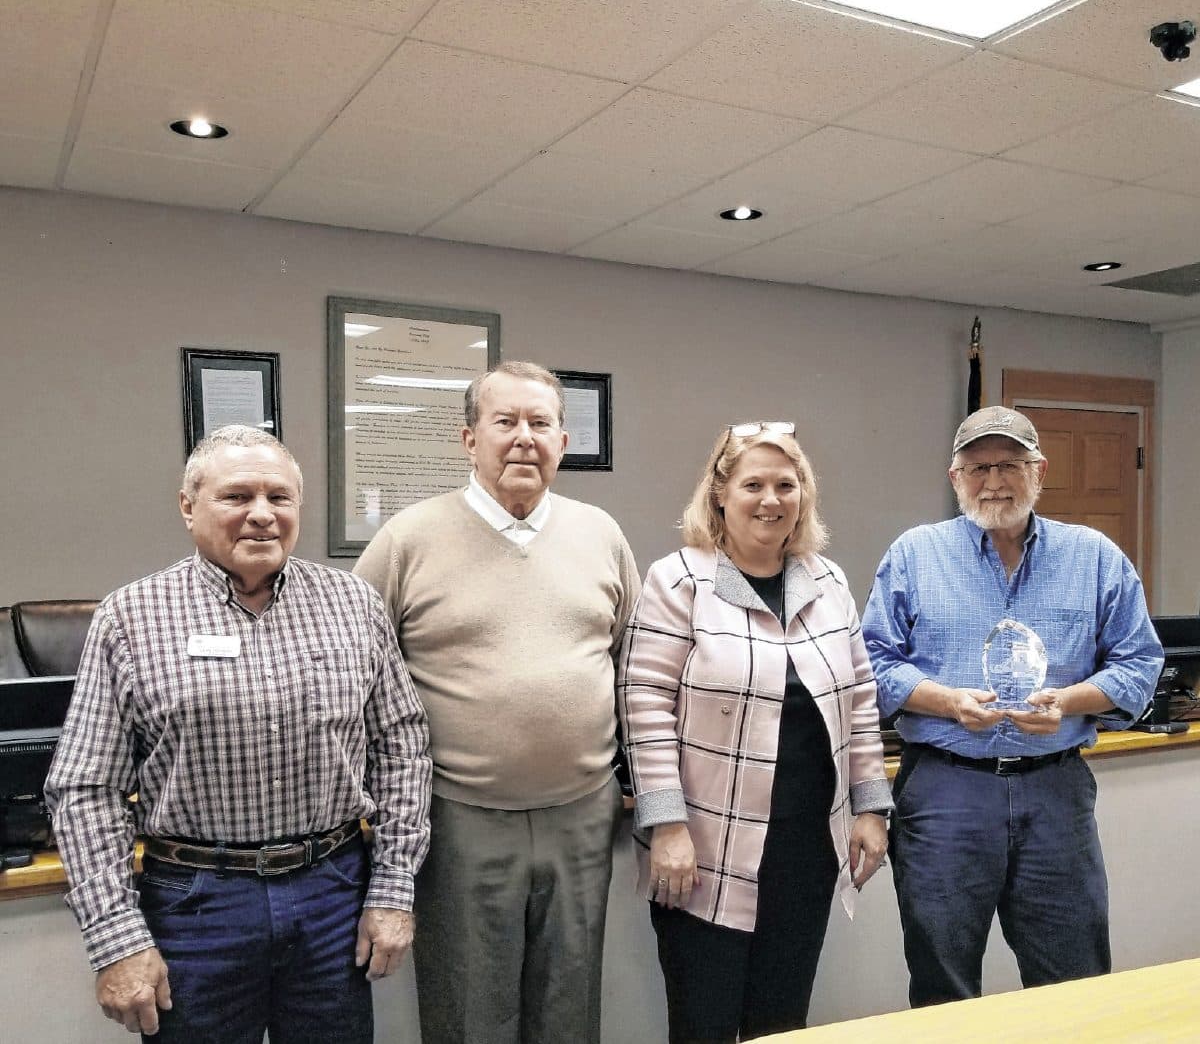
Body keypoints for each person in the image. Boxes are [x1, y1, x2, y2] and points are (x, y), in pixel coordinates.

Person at [45, 425, 432, 1042]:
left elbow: (402, 745)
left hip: (332, 892)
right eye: (237, 497)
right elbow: (85, 789)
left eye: (279, 498)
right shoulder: (132, 617)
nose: (261, 515)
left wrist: (393, 887)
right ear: (188, 506)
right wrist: (114, 936)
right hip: (195, 904)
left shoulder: (353, 604)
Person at [353, 360, 640, 1044]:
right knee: (468, 1011)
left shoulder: (600, 534)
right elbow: (352, 675)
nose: (523, 438)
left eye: (540, 423)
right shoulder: (406, 540)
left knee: (570, 1008)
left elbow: (634, 667)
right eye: (504, 421)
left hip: (582, 814)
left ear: (563, 443)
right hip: (459, 818)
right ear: (468, 439)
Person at [862, 405, 1163, 1008]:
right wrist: (947, 703)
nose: (993, 481)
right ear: (954, 478)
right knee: (942, 981)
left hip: (1055, 792)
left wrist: (1070, 701)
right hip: (947, 792)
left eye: (1009, 464)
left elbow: (1139, 664)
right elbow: (872, 664)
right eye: (976, 468)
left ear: (1039, 472)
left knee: (1073, 976)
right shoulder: (915, 555)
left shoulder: (1094, 556)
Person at [616, 421, 892, 1043]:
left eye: (786, 485)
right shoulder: (680, 580)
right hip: (705, 848)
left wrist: (872, 809)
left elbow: (862, 700)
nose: (771, 500)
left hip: (804, 850)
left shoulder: (828, 582)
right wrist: (667, 827)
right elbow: (645, 704)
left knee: (781, 1025)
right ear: (719, 494)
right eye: (753, 485)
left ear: (804, 495)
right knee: (704, 1025)